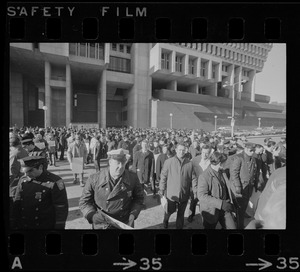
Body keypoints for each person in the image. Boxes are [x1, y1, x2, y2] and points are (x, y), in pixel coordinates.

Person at [79, 149, 144, 229]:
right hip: (101, 224)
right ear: (110, 162)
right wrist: (92, 216)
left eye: (123, 163)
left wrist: (133, 214)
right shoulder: (94, 179)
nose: (121, 166)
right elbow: (84, 202)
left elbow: (139, 198)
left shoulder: (132, 178)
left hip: (124, 223)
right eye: (117, 163)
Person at [11, 154, 68, 229]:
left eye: (30, 171)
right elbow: (17, 202)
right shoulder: (23, 180)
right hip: (25, 224)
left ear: (40, 167)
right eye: (25, 171)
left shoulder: (55, 181)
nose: (26, 174)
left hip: (44, 225)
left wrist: (59, 226)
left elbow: (61, 206)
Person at [159, 142, 197, 229]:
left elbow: (193, 178)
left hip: (184, 193)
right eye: (179, 150)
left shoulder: (189, 164)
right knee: (170, 210)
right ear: (176, 150)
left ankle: (179, 228)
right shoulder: (168, 162)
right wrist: (161, 188)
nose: (181, 152)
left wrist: (195, 191)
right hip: (171, 194)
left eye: (183, 150)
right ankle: (166, 219)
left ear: (186, 151)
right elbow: (163, 176)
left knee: (181, 213)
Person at [197, 152, 236, 229]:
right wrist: (221, 204)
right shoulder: (204, 176)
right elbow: (201, 196)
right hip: (211, 211)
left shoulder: (222, 172)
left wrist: (232, 202)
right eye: (225, 163)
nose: (227, 165)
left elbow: (227, 188)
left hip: (224, 209)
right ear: (219, 163)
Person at [230, 142, 258, 229]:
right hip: (240, 188)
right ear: (245, 149)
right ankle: (240, 226)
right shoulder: (238, 158)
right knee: (240, 209)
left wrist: (256, 184)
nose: (252, 152)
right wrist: (238, 187)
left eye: (253, 150)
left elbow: (254, 172)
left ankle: (239, 219)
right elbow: (234, 173)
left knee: (243, 207)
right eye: (250, 150)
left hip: (248, 187)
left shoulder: (253, 158)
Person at [188, 144, 211, 222]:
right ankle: (191, 214)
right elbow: (191, 172)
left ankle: (204, 217)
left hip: (206, 186)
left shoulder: (211, 161)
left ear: (209, 153)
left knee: (204, 202)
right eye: (203, 152)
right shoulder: (194, 160)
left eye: (207, 153)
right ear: (201, 151)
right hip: (196, 184)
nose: (204, 154)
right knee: (194, 200)